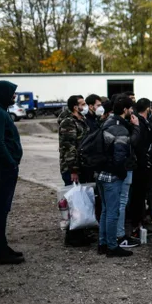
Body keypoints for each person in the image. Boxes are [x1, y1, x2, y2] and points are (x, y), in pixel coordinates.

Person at [97, 96, 139, 258]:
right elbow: (120, 155)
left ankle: (103, 243)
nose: (132, 111)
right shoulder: (119, 128)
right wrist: (121, 173)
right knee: (113, 212)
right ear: (125, 110)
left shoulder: (107, 122)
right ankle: (112, 247)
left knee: (106, 210)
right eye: (130, 109)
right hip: (112, 176)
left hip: (101, 173)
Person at [0, 81, 24, 265]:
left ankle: (2, 246)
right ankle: (0, 252)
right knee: (1, 209)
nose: (14, 97)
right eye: (12, 94)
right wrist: (11, 163)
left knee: (3, 208)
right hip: (3, 168)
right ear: (3, 94)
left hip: (4, 167)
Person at [58, 95, 92, 247]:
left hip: (82, 167)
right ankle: (72, 237)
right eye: (82, 104)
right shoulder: (69, 122)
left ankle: (80, 232)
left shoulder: (80, 120)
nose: (85, 106)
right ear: (74, 107)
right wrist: (73, 169)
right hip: (73, 168)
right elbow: (69, 148)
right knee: (74, 202)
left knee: (81, 202)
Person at [130, 98, 152, 232]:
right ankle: (137, 224)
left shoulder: (146, 121)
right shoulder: (138, 122)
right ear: (147, 108)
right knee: (138, 195)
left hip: (146, 162)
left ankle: (141, 221)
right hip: (139, 163)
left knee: (143, 194)